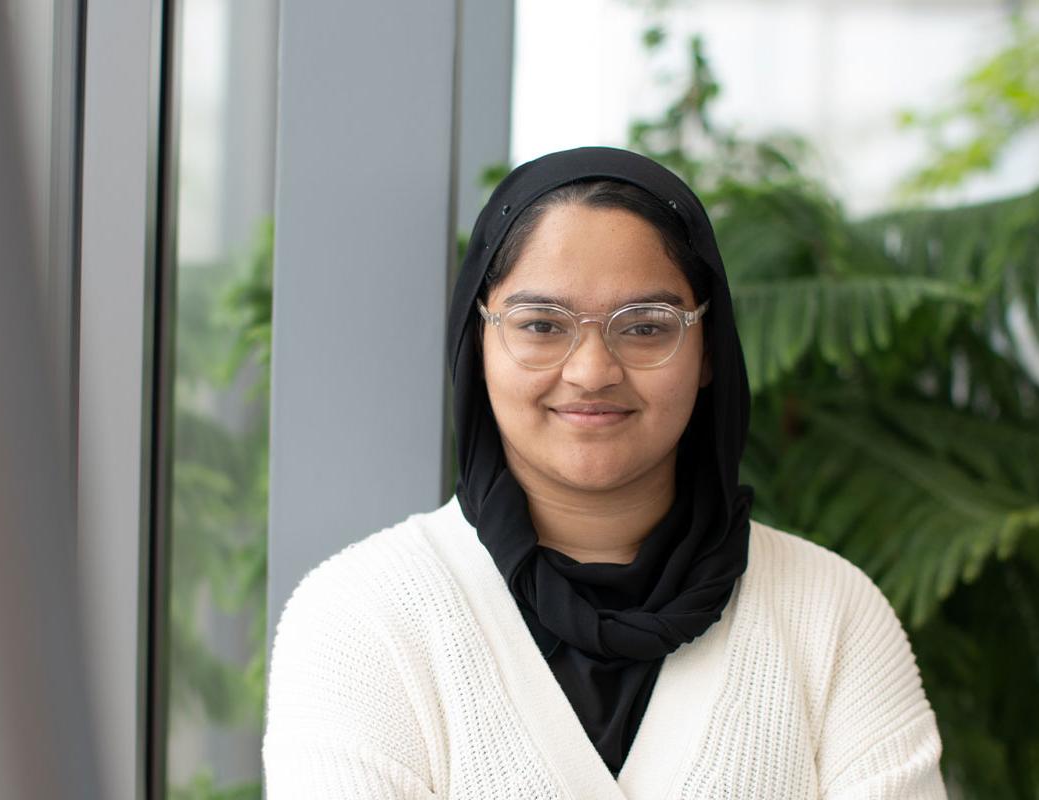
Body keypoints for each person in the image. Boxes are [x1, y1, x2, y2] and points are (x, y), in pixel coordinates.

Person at [262, 147, 947, 798]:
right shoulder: (363, 615)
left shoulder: (828, 612)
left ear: (708, 350)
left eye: (645, 326)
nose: (591, 372)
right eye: (540, 325)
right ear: (478, 346)